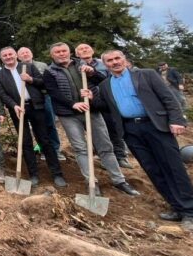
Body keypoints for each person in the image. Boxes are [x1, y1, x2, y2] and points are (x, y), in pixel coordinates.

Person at [92, 50, 192, 231]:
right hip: (130, 130)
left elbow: (167, 97)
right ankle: (176, 207)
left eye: (117, 58)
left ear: (124, 59)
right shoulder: (105, 85)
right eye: (110, 60)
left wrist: (177, 120)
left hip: (155, 125)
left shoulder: (146, 75)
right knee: (152, 169)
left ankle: (189, 211)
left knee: (173, 166)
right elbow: (106, 107)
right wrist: (91, 98)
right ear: (105, 64)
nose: (115, 62)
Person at [43, 42, 139, 196]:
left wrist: (92, 73)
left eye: (64, 51)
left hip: (91, 110)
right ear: (52, 55)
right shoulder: (50, 71)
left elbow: (103, 81)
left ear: (69, 52)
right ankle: (91, 182)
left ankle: (119, 180)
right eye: (57, 52)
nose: (61, 54)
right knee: (80, 148)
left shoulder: (83, 64)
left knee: (105, 146)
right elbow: (54, 93)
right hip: (68, 115)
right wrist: (73, 104)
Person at [0, 47, 66, 187]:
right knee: (25, 142)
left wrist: (30, 79)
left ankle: (57, 174)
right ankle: (33, 174)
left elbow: (43, 83)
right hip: (18, 110)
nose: (8, 57)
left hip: (36, 106)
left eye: (10, 54)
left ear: (16, 55)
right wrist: (13, 105)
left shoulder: (28, 66)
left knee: (44, 140)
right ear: (1, 58)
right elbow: (2, 94)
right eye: (5, 55)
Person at [77, 43, 132, 168]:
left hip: (106, 99)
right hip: (89, 101)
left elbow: (109, 79)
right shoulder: (75, 66)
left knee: (113, 128)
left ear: (92, 50)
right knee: (96, 130)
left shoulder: (104, 63)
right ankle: (103, 157)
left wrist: (93, 72)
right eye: (81, 49)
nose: (84, 50)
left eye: (87, 47)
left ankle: (120, 156)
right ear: (77, 54)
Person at [18, 46, 64, 161]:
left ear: (32, 54)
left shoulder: (42, 65)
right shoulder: (17, 69)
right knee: (37, 126)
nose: (25, 54)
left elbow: (47, 82)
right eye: (22, 53)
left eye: (27, 52)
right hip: (30, 101)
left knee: (50, 124)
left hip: (45, 97)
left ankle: (56, 149)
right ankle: (43, 150)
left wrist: (31, 79)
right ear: (18, 57)